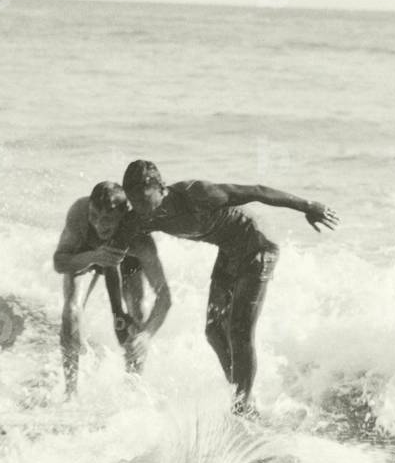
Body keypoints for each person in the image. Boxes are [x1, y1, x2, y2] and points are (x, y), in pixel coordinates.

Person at [120, 160, 339, 414]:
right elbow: (115, 237)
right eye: (135, 203)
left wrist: (308, 206)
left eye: (146, 201)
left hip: (258, 244)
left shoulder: (196, 194)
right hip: (230, 251)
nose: (142, 211)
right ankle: (243, 399)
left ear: (161, 187)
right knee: (213, 331)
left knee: (239, 329)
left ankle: (241, 405)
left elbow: (257, 191)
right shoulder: (143, 215)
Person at [53, 181, 171, 397]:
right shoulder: (80, 214)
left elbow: (164, 295)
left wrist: (147, 334)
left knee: (138, 315)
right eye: (94, 217)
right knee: (71, 312)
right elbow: (59, 262)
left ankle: (132, 388)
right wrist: (93, 256)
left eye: (107, 219)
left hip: (126, 261)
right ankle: (70, 394)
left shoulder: (141, 241)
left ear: (123, 215)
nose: (98, 225)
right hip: (86, 255)